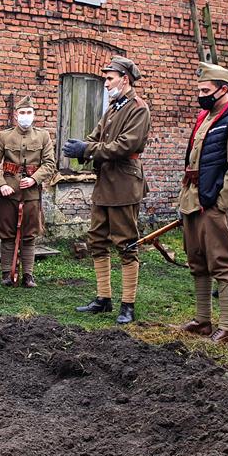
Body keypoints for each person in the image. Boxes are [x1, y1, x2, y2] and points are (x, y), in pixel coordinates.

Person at [62, 57, 151, 324]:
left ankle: (128, 305)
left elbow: (125, 146)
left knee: (126, 243)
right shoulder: (114, 107)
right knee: (97, 240)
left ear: (125, 79)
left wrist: (87, 150)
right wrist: (84, 146)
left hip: (124, 183)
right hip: (105, 182)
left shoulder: (138, 109)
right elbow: (97, 136)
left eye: (110, 78)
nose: (105, 83)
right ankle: (103, 298)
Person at [176, 62, 228, 343]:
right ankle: (202, 320)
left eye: (205, 90)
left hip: (214, 202)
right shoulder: (204, 116)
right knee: (196, 259)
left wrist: (222, 204)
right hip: (193, 199)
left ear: (223, 90)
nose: (201, 94)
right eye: (199, 89)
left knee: (222, 261)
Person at [0, 95, 56, 287]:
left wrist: (34, 179)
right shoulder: (4, 136)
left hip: (31, 194)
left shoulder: (43, 136)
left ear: (34, 115)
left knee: (29, 234)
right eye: (22, 113)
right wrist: (1, 184)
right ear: (16, 116)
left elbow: (49, 164)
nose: (26, 116)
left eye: (29, 112)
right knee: (7, 233)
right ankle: (6, 274)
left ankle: (28, 275)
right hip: (8, 193)